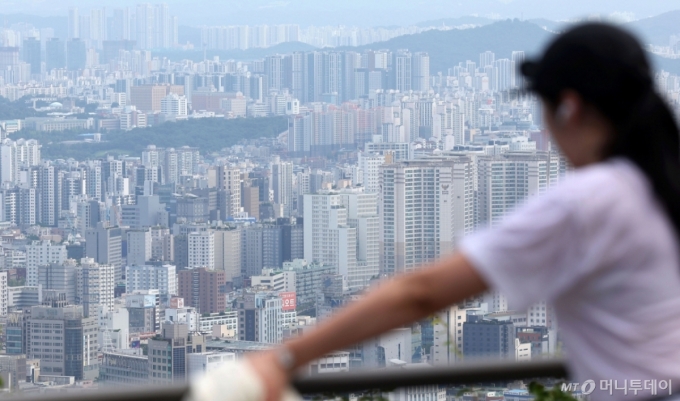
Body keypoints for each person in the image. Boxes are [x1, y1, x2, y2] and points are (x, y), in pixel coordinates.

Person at [247, 23, 680, 401]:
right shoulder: (657, 183)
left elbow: (421, 293)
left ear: (570, 107)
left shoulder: (589, 200)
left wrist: (283, 358)